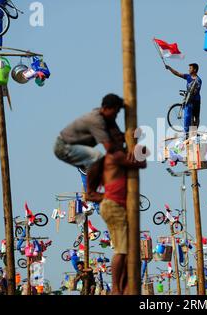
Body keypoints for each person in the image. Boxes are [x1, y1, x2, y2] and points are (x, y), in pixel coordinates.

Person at [86, 130, 147, 295]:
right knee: (122, 249)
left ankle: (122, 286)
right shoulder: (114, 157)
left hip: (117, 206)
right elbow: (141, 161)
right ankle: (116, 288)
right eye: (120, 140)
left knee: (128, 248)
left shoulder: (112, 158)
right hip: (114, 207)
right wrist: (109, 198)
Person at [54, 93, 124, 173]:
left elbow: (118, 137)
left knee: (95, 165)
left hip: (71, 146)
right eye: (115, 112)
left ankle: (89, 183)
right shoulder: (96, 120)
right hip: (63, 147)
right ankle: (89, 184)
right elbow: (109, 148)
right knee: (97, 157)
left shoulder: (107, 119)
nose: (116, 116)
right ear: (105, 108)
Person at [165, 63, 202, 134]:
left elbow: (195, 91)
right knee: (189, 116)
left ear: (194, 70)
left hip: (196, 101)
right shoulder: (188, 77)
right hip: (189, 100)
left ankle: (195, 131)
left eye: (190, 68)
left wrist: (189, 95)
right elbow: (177, 73)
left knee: (196, 117)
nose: (189, 69)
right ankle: (188, 131)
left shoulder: (199, 80)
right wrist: (169, 68)